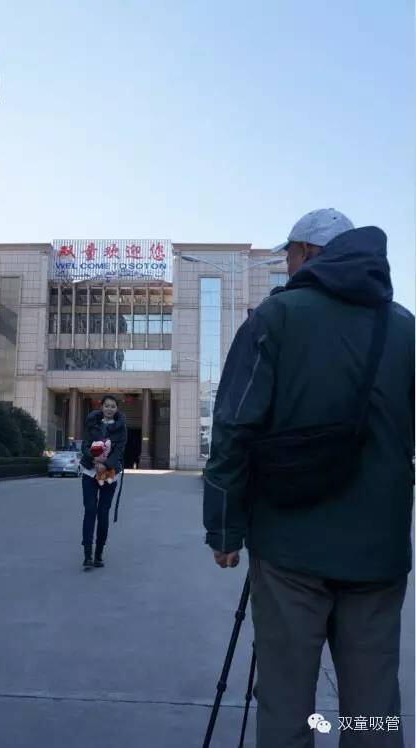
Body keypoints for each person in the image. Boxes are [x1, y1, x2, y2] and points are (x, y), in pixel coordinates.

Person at [203, 209, 414, 747]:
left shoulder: (275, 318)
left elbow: (233, 426)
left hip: (288, 549)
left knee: (286, 704)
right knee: (374, 707)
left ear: (306, 253)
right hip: (378, 555)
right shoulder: (404, 327)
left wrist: (224, 529)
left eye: (290, 255)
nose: (288, 266)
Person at [80, 395, 127, 569]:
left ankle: (98, 554)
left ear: (116, 409)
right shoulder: (92, 423)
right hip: (89, 471)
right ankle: (87, 555)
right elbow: (85, 445)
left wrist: (105, 465)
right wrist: (94, 461)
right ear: (102, 407)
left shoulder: (121, 428)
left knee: (103, 512)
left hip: (109, 472)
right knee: (90, 510)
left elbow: (119, 451)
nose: (109, 409)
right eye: (107, 405)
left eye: (113, 406)